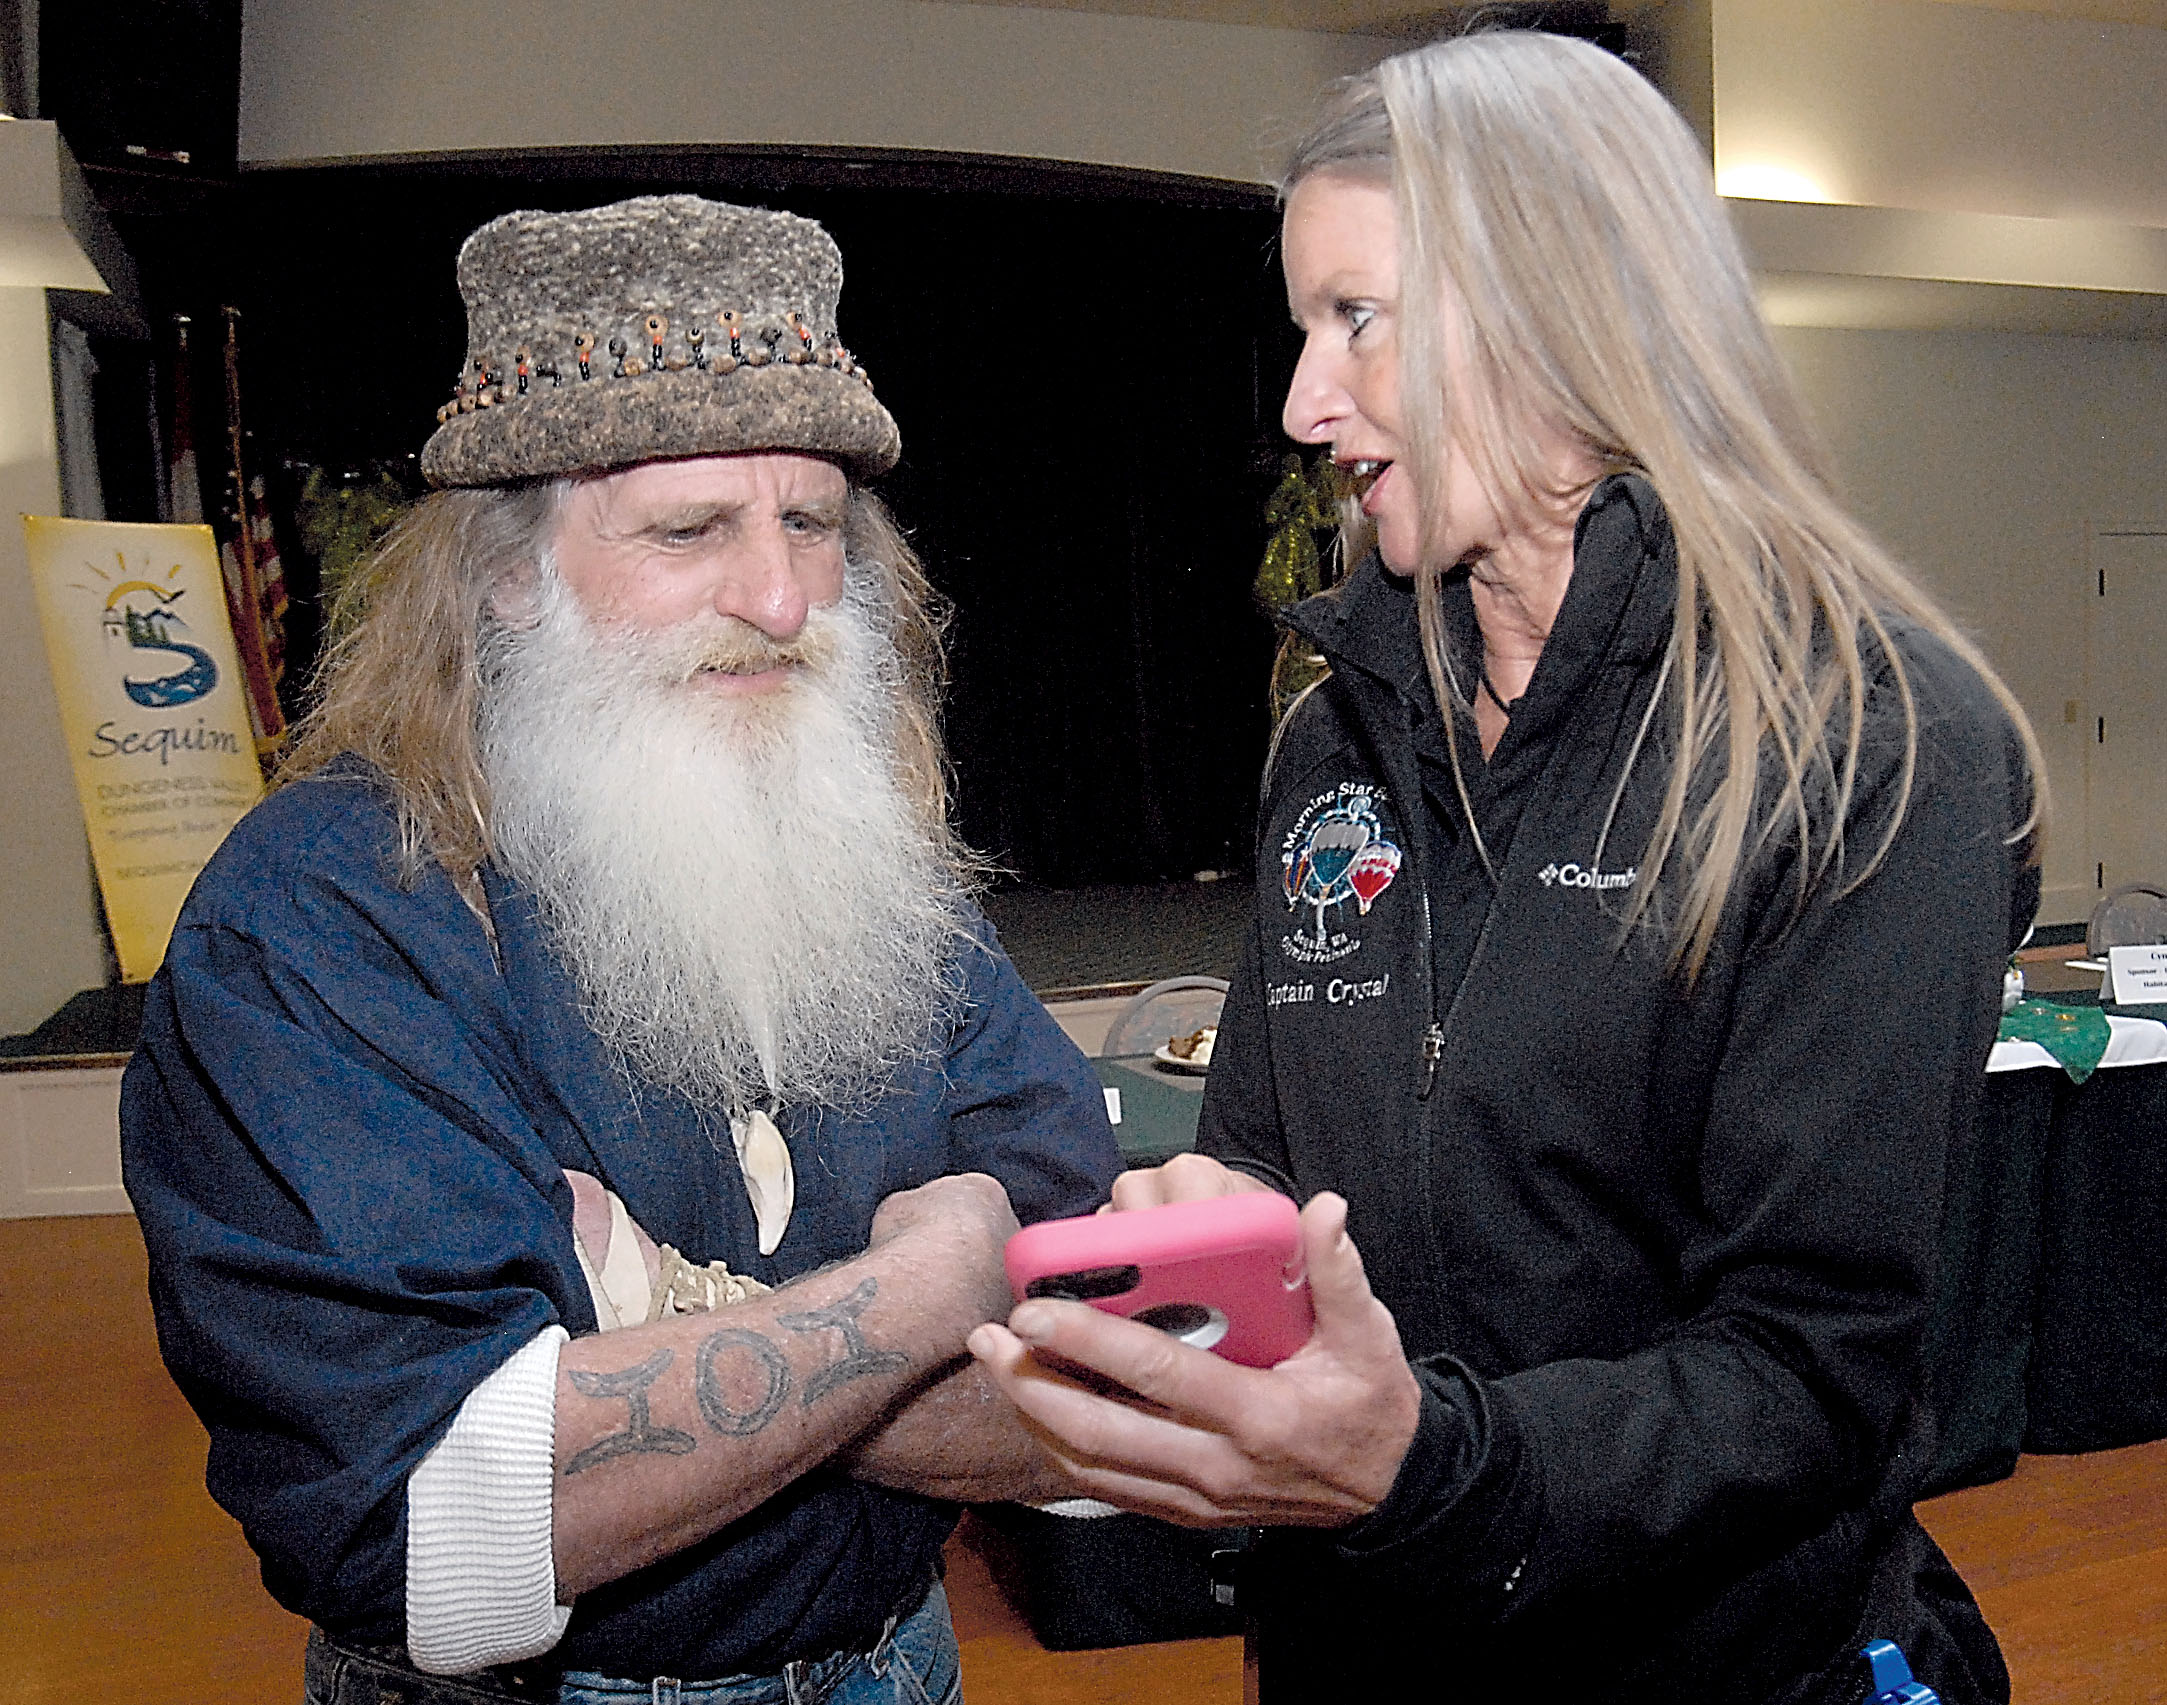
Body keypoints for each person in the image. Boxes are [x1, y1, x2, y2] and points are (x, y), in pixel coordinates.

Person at [970, 32, 2037, 1704]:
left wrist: (1419, 1466)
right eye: (1305, 328)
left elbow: (1812, 1375)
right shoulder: (1342, 736)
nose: (1305, 403)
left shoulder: (1868, 746)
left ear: (1562, 306)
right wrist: (1193, 1254)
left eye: (1358, 320)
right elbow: (1268, 1154)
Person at [123, 194, 1120, 1705]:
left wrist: (658, 1314)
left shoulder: (878, 883)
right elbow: (446, 1533)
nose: (780, 599)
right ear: (509, 573)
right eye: (687, 530)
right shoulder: (319, 922)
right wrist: (928, 1295)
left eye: (811, 523)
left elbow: (1109, 1398)